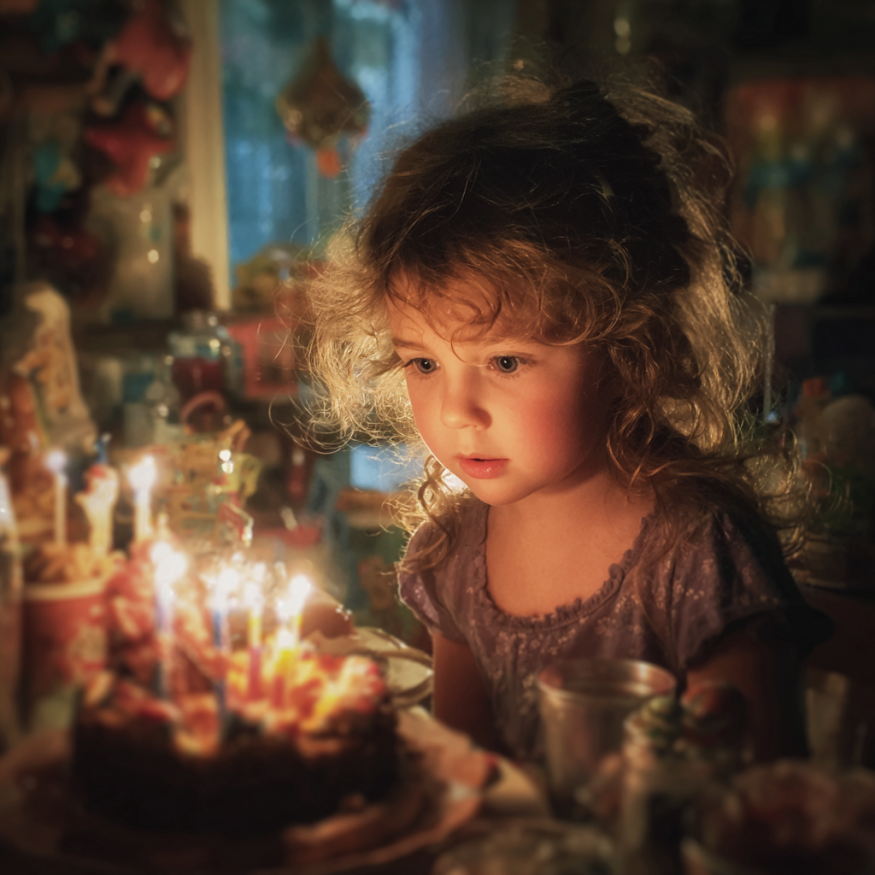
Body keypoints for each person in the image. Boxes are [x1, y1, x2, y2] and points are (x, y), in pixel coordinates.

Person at [305, 64, 831, 763]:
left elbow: (759, 813)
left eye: (505, 362)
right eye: (424, 363)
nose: (458, 412)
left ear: (624, 348)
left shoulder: (698, 554)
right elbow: (468, 790)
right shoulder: (451, 556)